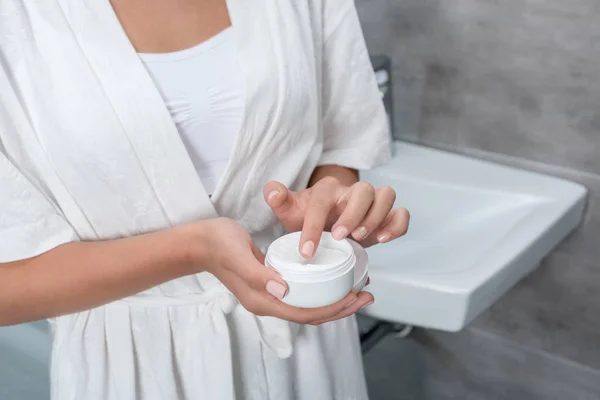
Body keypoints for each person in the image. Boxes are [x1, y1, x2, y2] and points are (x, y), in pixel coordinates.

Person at [0, 0, 409, 399]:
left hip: (308, 354)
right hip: (132, 370)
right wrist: (191, 250)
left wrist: (331, 201)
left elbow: (338, 143)